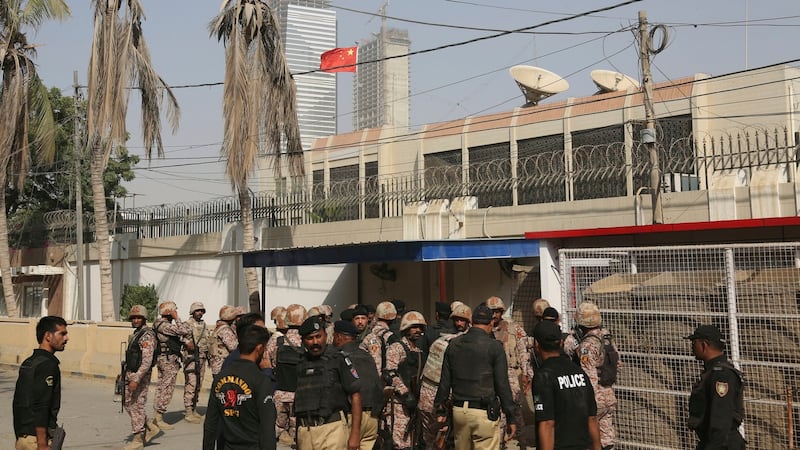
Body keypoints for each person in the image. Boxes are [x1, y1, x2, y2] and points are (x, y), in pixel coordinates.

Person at [434, 303, 518, 449]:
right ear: (491, 322)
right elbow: (502, 385)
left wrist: (440, 409)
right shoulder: (494, 347)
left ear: (471, 322)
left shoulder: (453, 344)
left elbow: (444, 381)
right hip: (483, 413)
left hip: (459, 412)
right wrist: (511, 416)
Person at [202, 324, 276, 450]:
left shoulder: (221, 377)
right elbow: (267, 429)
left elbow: (210, 424)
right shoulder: (260, 380)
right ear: (259, 348)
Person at [294, 317, 362, 450]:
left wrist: (355, 434)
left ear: (325, 335)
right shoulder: (300, 364)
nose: (315, 342)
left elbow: (356, 396)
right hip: (306, 432)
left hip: (332, 430)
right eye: (310, 338)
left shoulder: (338, 359)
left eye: (318, 336)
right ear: (303, 341)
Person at [532, 320, 601, 450]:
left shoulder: (543, 376)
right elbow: (592, 418)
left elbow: (547, 423)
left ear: (536, 344)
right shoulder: (579, 372)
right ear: (561, 343)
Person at [563, 302, 618, 450]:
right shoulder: (606, 336)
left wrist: (585, 403)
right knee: (607, 438)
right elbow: (616, 361)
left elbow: (589, 378)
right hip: (609, 395)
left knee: (587, 439)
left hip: (595, 399)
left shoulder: (586, 346)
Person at [418, 303, 471, 449]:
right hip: (440, 397)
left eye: (462, 320)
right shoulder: (449, 341)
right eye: (457, 320)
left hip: (440, 397)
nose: (459, 323)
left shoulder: (443, 338)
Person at [684, 325, 745, 450]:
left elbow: (720, 421)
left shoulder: (721, 374)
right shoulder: (713, 371)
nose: (692, 347)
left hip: (722, 444)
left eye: (694, 342)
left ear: (704, 345)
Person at [13, 316, 69, 450]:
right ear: (48, 336)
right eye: (62, 333)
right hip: (37, 441)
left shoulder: (30, 362)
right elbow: (42, 406)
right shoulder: (47, 365)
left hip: (24, 437)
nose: (66, 338)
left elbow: (18, 403)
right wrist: (42, 444)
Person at [487, 296, 533, 445]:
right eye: (491, 312)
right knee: (496, 411)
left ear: (501, 312)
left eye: (497, 312)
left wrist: (526, 374)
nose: (494, 315)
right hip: (491, 375)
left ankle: (522, 442)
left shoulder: (514, 328)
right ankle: (500, 443)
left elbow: (523, 352)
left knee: (516, 410)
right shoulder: (485, 329)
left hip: (510, 373)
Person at [333, 320, 384, 450]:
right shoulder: (367, 356)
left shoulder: (339, 358)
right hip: (372, 418)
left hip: (352, 417)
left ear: (338, 337)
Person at [383, 311, 427, 450]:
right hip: (399, 404)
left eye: (420, 327)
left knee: (414, 443)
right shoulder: (396, 348)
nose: (418, 330)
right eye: (414, 327)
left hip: (415, 406)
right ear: (406, 329)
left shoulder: (419, 352)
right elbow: (390, 373)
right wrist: (405, 393)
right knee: (400, 443)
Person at [267, 303, 306, 446]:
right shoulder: (306, 341)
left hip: (280, 392)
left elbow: (268, 361)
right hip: (299, 394)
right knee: (299, 434)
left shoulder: (277, 340)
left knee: (276, 428)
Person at [123, 305, 161, 450]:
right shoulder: (137, 333)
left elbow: (146, 361)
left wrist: (136, 379)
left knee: (136, 405)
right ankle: (150, 426)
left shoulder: (147, 336)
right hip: (131, 373)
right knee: (128, 403)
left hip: (140, 376)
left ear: (144, 319)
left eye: (139, 317)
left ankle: (138, 439)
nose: (136, 320)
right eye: (133, 318)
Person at [152, 301, 192, 430]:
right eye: (174, 310)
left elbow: (179, 336)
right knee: (166, 388)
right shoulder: (163, 325)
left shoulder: (164, 325)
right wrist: (177, 318)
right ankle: (158, 417)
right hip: (167, 361)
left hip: (168, 359)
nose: (176, 312)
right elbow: (184, 330)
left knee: (162, 387)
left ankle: (157, 416)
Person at [183, 301, 210, 424]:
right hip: (191, 358)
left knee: (198, 383)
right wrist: (186, 342)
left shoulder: (204, 325)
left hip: (202, 358)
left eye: (201, 311)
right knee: (192, 383)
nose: (199, 313)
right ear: (192, 311)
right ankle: (188, 411)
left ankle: (194, 408)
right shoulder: (187, 324)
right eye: (197, 310)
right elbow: (180, 335)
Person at [208, 305, 240, 376]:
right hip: (223, 366)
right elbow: (233, 347)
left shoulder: (218, 327)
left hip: (217, 365)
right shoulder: (225, 330)